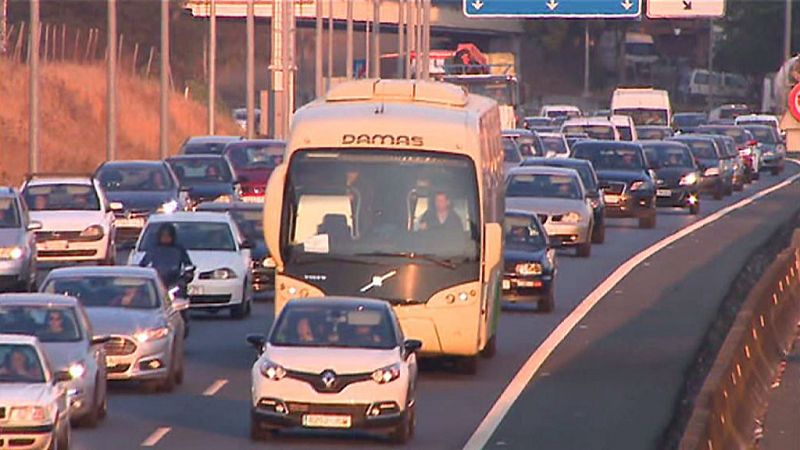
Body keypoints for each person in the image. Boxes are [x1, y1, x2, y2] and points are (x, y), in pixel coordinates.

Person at [139, 223, 193, 288]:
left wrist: (185, 277)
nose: (165, 238)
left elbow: (188, 265)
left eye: (168, 235)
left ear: (172, 236)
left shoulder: (179, 250)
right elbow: (143, 264)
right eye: (163, 235)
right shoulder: (154, 249)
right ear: (159, 236)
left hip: (175, 282)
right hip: (157, 283)